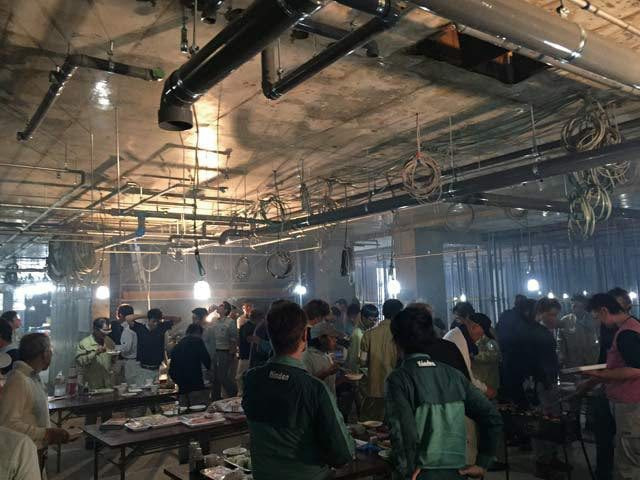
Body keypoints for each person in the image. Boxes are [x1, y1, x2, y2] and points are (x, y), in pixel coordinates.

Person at [385, 306, 503, 480]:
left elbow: (403, 432)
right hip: (457, 472)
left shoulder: (399, 379)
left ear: (397, 341)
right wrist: (482, 462)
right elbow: (491, 416)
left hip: (421, 473)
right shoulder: (453, 375)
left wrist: (406, 469)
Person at [242, 301, 354, 480]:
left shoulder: (251, 379)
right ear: (304, 335)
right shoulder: (314, 388)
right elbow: (342, 453)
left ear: (270, 335)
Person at [585, 293, 640, 480]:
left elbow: (635, 369)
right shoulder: (633, 324)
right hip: (631, 401)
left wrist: (601, 375)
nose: (598, 322)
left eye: (597, 317)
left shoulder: (626, 333)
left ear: (604, 310)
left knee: (629, 461)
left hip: (631, 404)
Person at [0, 333, 71, 471]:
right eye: (50, 350)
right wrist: (46, 433)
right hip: (24, 456)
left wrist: (49, 434)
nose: (52, 354)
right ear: (44, 354)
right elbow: (7, 425)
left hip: (37, 451)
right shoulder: (18, 380)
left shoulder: (33, 377)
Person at [359, 298, 403, 421]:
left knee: (371, 424)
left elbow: (362, 361)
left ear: (383, 312)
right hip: (395, 389)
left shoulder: (368, 335)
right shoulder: (401, 335)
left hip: (373, 389)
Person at [444, 308, 496, 398]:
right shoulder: (459, 340)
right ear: (474, 327)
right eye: (480, 335)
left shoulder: (458, 334)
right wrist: (486, 390)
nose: (479, 338)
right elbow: (467, 377)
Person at [130, 308, 181, 386]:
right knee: (143, 390)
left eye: (157, 321)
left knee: (159, 389)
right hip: (143, 369)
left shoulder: (161, 327)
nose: (156, 324)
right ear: (148, 320)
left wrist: (161, 317)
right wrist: (146, 315)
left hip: (158, 369)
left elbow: (178, 319)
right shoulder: (140, 328)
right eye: (153, 321)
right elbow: (128, 318)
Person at [169, 324, 211, 404]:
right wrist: (210, 374)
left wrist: (178, 381)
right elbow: (206, 360)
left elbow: (171, 369)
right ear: (198, 333)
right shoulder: (197, 341)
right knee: (197, 407)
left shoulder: (177, 346)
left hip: (181, 386)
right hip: (195, 383)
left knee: (184, 407)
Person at [559, 294, 599, 369]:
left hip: (592, 361)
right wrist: (561, 358)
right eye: (573, 306)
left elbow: (600, 339)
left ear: (584, 306)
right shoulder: (564, 321)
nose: (575, 308)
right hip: (573, 363)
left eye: (579, 306)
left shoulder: (594, 320)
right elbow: (560, 343)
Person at [303, 321, 342, 397]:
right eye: (332, 337)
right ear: (321, 339)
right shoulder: (307, 357)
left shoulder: (326, 355)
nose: (335, 340)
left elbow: (329, 385)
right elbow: (307, 385)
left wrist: (343, 379)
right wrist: (327, 372)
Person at [76, 318, 115, 390]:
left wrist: (115, 357)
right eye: (103, 332)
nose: (105, 334)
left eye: (107, 332)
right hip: (92, 385)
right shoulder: (84, 343)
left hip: (108, 385)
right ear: (95, 329)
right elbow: (80, 361)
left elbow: (112, 362)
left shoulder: (109, 341)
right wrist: (95, 353)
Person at [211, 301, 238, 399]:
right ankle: (215, 398)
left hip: (224, 351)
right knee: (214, 377)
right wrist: (210, 311)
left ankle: (233, 392)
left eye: (221, 306)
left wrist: (231, 354)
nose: (218, 306)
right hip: (214, 351)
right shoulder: (214, 320)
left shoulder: (230, 322)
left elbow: (234, 339)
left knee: (222, 376)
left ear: (226, 310)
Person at [471, 313, 501, 394]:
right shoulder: (473, 338)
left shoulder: (489, 340)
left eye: (474, 326)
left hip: (488, 380)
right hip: (479, 379)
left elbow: (494, 354)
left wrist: (475, 356)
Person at [236, 309, 261, 395]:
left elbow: (239, 341)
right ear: (258, 318)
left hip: (244, 355)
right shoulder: (252, 327)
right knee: (242, 376)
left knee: (240, 376)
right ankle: (242, 394)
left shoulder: (244, 326)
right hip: (248, 356)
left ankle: (242, 393)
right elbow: (249, 340)